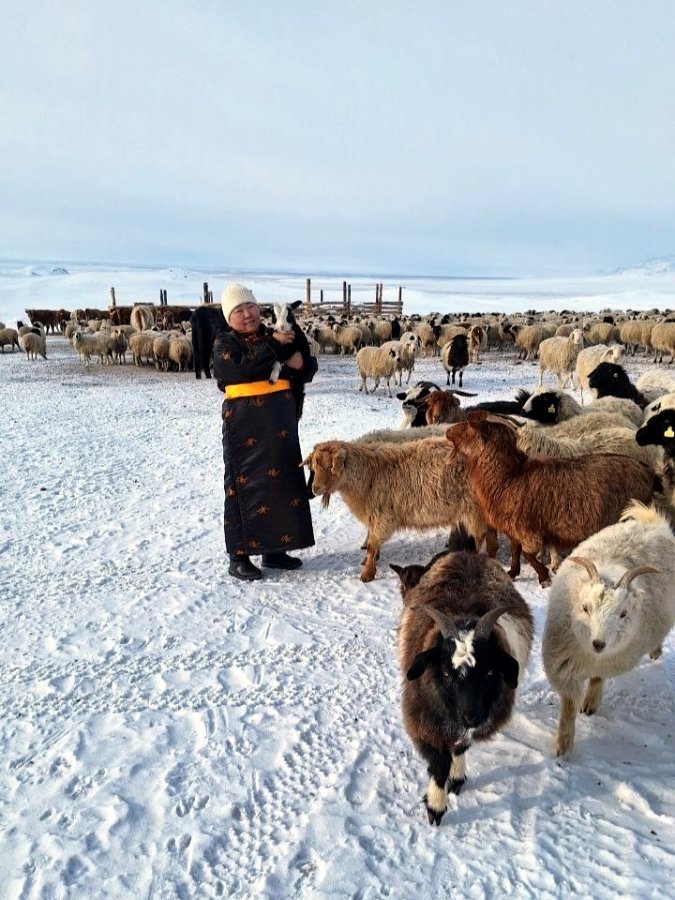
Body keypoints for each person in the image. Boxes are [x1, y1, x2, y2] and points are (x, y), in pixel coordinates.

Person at [213, 284, 315, 581]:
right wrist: (275, 345)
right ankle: (239, 555)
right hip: (244, 424)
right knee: (242, 486)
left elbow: (306, 367)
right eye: (239, 311)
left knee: (281, 482)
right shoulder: (225, 342)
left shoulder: (278, 333)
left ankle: (275, 549)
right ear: (228, 317)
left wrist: (299, 360)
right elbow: (240, 370)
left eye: (251, 307)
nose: (247, 315)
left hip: (279, 423)